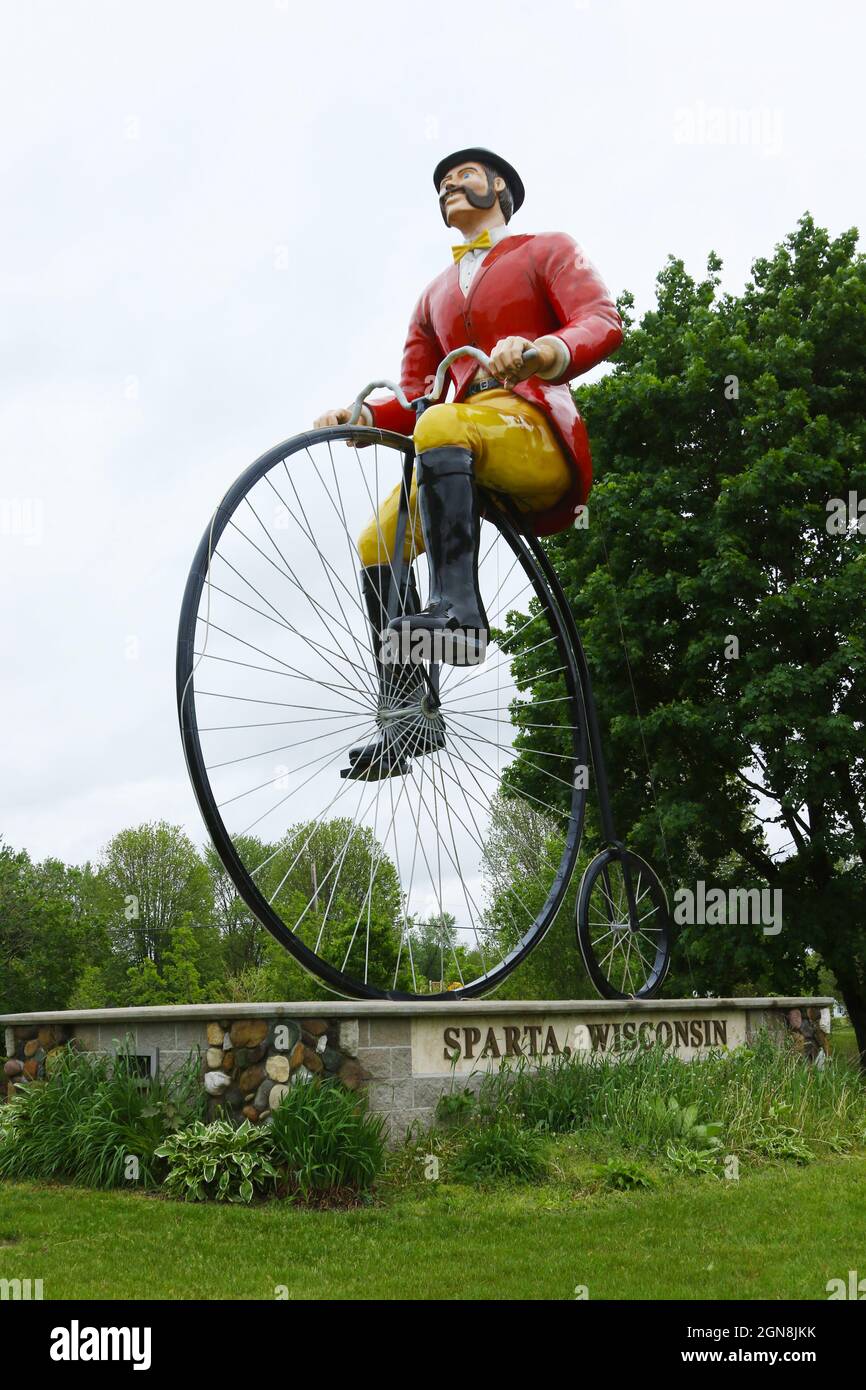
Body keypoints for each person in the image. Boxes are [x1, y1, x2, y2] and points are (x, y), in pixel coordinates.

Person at [314, 147, 622, 778]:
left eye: (463, 176)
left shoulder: (546, 249)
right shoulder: (432, 295)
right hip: (454, 447)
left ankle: (458, 611)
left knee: (444, 423)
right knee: (379, 538)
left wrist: (542, 350)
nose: (449, 186)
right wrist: (367, 419)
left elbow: (602, 320)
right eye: (442, 183)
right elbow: (419, 399)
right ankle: (407, 713)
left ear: (500, 187)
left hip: (530, 431)